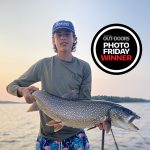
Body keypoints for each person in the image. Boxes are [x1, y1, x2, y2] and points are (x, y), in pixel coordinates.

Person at [7, 20, 92, 150]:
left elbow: (86, 102)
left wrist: (98, 120)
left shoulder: (84, 67)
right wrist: (22, 91)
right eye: (58, 35)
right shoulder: (43, 65)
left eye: (67, 34)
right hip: (47, 138)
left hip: (76, 136)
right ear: (53, 39)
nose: (63, 38)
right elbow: (11, 86)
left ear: (74, 38)